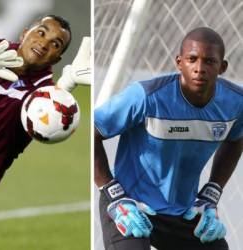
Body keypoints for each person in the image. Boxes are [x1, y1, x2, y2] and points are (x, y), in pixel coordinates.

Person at [95, 27, 243, 250]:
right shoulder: (145, 96)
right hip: (130, 204)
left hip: (183, 211)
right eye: (192, 59)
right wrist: (113, 193)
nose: (199, 69)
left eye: (209, 62)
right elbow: (92, 134)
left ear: (222, 67)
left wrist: (212, 193)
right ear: (179, 62)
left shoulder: (236, 103)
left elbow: (236, 138)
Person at [0, 15, 90, 202]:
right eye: (41, 33)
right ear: (23, 34)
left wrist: (66, 86)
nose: (44, 44)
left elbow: (52, 114)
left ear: (57, 59)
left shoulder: (43, 94)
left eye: (55, 44)